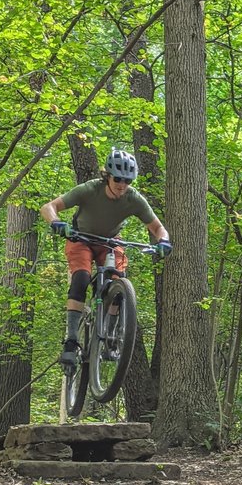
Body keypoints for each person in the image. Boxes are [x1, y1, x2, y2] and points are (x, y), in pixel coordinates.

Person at [40, 148, 172, 370]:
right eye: (118, 179)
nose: (122, 184)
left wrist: (164, 242)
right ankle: (71, 341)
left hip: (110, 242)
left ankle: (110, 337)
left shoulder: (134, 199)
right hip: (80, 238)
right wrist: (56, 222)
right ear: (108, 175)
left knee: (117, 282)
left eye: (127, 181)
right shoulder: (90, 189)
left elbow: (158, 228)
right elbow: (49, 207)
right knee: (81, 279)